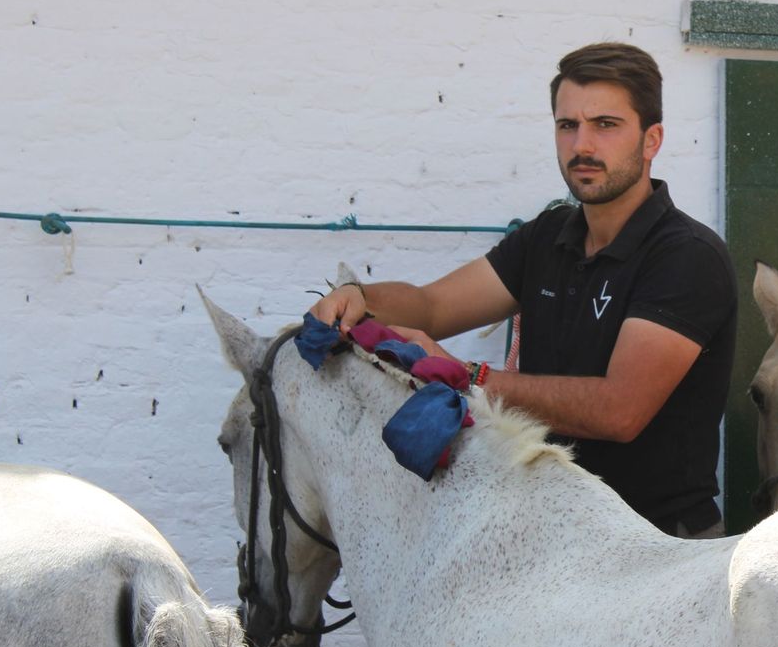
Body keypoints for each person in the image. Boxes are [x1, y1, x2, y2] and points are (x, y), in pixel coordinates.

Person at [308, 42, 736, 538]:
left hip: (657, 546)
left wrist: (464, 374)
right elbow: (433, 305)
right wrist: (362, 297)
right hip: (549, 533)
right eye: (567, 125)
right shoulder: (548, 237)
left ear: (652, 139)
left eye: (606, 124)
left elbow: (618, 411)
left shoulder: (686, 256)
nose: (583, 146)